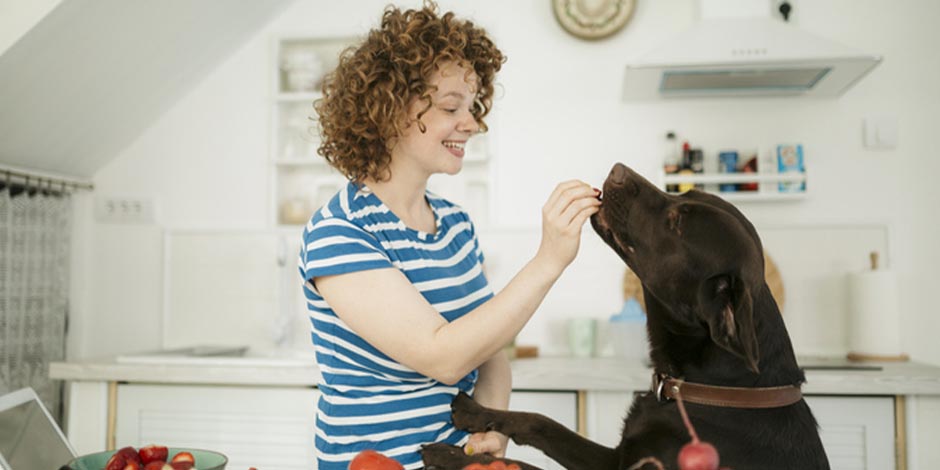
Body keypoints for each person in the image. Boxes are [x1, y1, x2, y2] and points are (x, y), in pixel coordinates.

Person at [298, 3, 601, 469]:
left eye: (473, 106)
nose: (472, 124)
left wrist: (492, 427)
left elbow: (491, 350)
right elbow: (444, 357)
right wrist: (550, 259)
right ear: (390, 109)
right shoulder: (341, 230)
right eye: (450, 107)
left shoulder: (455, 223)